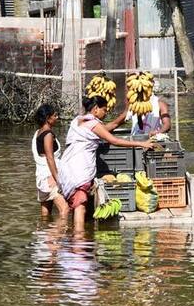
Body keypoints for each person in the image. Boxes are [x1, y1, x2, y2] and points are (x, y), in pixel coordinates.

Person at [59, 96, 155, 229]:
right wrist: (140, 143)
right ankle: (79, 241)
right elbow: (114, 140)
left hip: (68, 166)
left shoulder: (78, 120)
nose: (105, 113)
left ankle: (72, 234)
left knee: (76, 204)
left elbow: (110, 126)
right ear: (96, 109)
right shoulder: (93, 124)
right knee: (80, 206)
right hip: (79, 169)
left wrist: (125, 113)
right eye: (104, 110)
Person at [32, 104, 69, 217]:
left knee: (45, 213)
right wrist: (58, 179)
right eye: (55, 115)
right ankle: (57, 233)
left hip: (41, 177)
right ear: (48, 118)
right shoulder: (48, 134)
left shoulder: (38, 133)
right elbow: (50, 158)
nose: (57, 118)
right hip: (49, 178)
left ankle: (44, 232)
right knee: (65, 210)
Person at [125, 73, 172, 137]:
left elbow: (167, 125)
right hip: (135, 140)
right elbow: (120, 121)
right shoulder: (133, 104)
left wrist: (158, 132)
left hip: (153, 140)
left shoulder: (160, 104)